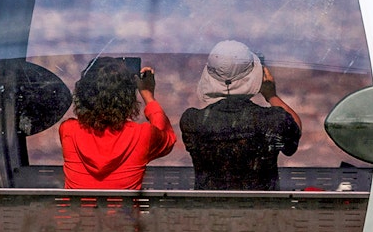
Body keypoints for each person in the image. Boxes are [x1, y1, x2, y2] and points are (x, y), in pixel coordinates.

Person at [180, 40, 301, 191]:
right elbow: (294, 134)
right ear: (256, 75)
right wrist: (271, 95)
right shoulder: (273, 120)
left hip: (210, 211)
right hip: (263, 211)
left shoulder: (192, 121)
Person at [60, 56, 176, 189]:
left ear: (83, 93)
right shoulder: (142, 135)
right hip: (125, 211)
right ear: (127, 97)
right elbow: (168, 138)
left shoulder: (68, 130)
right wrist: (148, 95)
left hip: (76, 210)